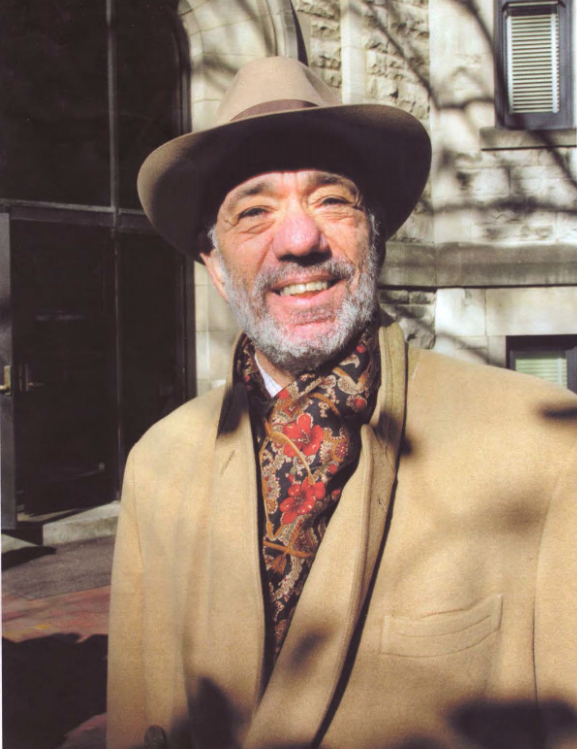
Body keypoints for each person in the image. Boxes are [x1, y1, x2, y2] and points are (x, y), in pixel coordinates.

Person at [107, 57, 577, 749]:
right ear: (212, 263)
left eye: (331, 200)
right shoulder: (158, 464)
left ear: (373, 233)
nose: (299, 240)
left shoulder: (542, 449)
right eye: (255, 211)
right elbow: (134, 712)